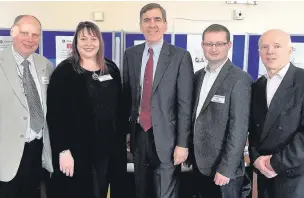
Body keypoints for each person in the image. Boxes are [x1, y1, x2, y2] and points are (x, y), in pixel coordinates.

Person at [46, 21, 126, 198]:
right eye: (83, 38)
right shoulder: (64, 72)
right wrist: (63, 150)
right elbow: (55, 116)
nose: (88, 43)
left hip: (108, 151)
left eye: (93, 38)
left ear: (100, 42)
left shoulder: (111, 69)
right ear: (75, 42)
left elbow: (119, 108)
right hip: (76, 152)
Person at [122, 3, 194, 198]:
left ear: (165, 25)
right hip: (139, 136)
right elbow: (128, 97)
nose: (151, 25)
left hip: (168, 140)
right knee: (141, 191)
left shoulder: (180, 57)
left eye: (157, 20)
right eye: (146, 20)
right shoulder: (131, 55)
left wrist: (182, 143)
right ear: (140, 25)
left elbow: (185, 104)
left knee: (165, 193)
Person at [191, 24, 252, 198]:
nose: (214, 49)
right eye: (209, 44)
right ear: (202, 45)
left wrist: (226, 169)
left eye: (219, 44)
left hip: (224, 170)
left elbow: (239, 128)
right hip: (199, 165)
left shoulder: (239, 79)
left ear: (229, 45)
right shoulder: (197, 77)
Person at [0, 15, 54, 198]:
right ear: (13, 33)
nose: (30, 39)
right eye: (25, 33)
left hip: (36, 150)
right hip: (5, 154)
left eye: (35, 35)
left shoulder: (45, 65)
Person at [249, 29, 304, 198]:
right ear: (259, 52)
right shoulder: (258, 86)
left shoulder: (301, 81)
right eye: (264, 47)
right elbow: (254, 131)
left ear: (290, 50)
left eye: (277, 46)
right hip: (264, 175)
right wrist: (256, 158)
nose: (270, 51)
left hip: (294, 177)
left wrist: (274, 164)